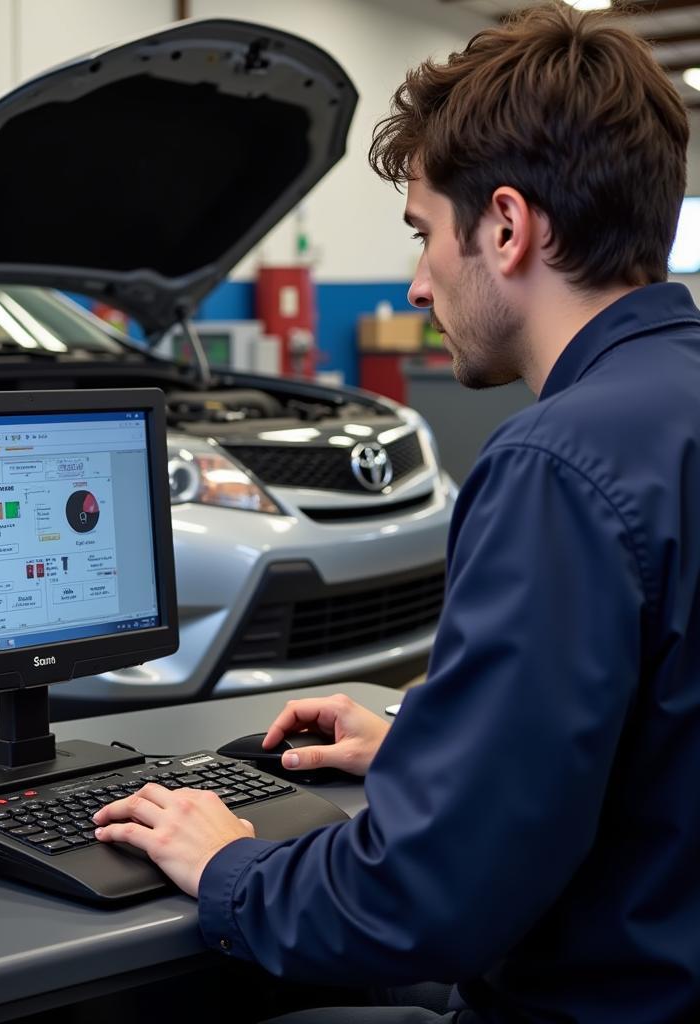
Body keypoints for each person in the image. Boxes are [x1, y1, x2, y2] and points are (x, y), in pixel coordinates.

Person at [94, 4, 700, 1021]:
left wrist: (232, 864)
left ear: (506, 226)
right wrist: (431, 745)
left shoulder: (556, 466)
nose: (419, 282)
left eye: (423, 235)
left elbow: (429, 901)